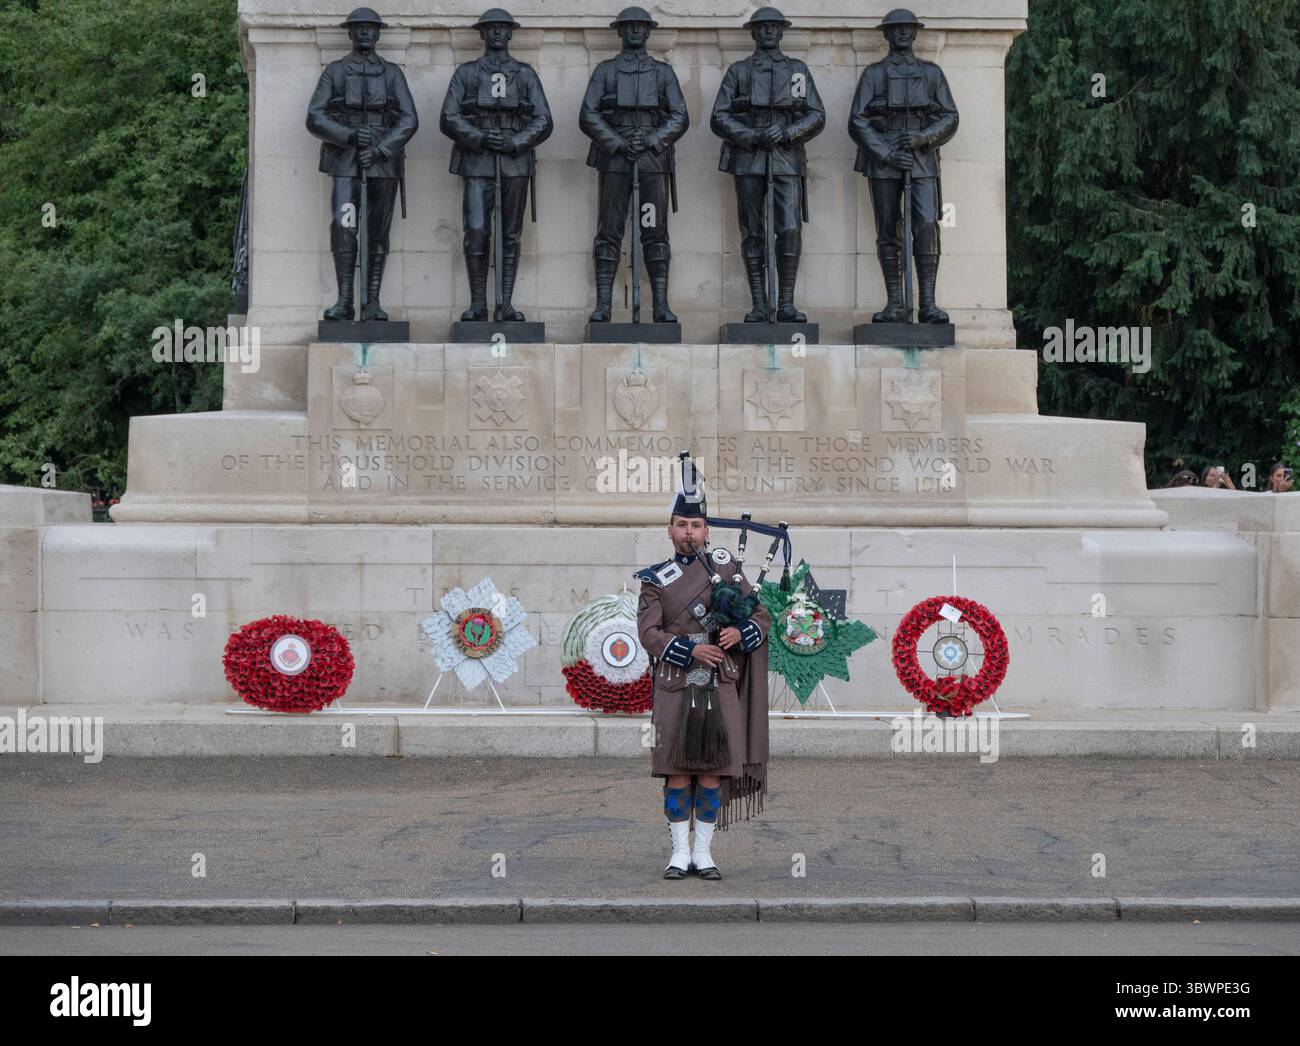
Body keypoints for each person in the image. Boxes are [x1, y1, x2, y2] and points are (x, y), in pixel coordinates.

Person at [634, 472, 770, 880]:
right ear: (670, 530)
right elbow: (648, 633)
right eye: (681, 525)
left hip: (720, 681)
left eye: (695, 525)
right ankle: (679, 853)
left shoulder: (728, 572)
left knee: (712, 770)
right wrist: (691, 648)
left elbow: (762, 616)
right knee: (676, 769)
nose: (688, 532)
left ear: (706, 530)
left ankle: (703, 854)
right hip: (676, 682)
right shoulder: (653, 579)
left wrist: (739, 632)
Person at [710, 7, 825, 323]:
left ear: (782, 31)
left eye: (774, 27)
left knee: (789, 228)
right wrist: (751, 135)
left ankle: (786, 303)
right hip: (748, 157)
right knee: (752, 231)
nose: (769, 32)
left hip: (786, 156)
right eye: (763, 27)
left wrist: (788, 132)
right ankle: (760, 304)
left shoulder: (796, 71)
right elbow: (719, 116)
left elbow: (815, 115)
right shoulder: (739, 71)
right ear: (753, 32)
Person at [440, 9, 553, 322]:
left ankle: (505, 303)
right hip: (478, 160)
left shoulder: (525, 74)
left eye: (502, 28)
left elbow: (543, 119)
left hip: (514, 162)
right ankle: (478, 302)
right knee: (476, 230)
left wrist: (516, 142)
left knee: (510, 234)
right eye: (491, 29)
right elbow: (448, 117)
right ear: (482, 34)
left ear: (510, 33)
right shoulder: (466, 73)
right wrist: (479, 138)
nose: (497, 34)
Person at [306, 7, 419, 322]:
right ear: (351, 33)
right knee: (344, 227)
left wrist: (382, 149)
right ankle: (344, 300)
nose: (365, 33)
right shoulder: (335, 71)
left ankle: (372, 301)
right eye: (359, 28)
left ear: (378, 32)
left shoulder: (392, 73)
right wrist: (351, 136)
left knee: (378, 233)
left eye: (371, 28)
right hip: (345, 164)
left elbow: (409, 119)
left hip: (383, 166)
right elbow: (315, 117)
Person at [848, 8, 958, 324]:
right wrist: (885, 153)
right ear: (886, 34)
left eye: (907, 29)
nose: (902, 34)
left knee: (926, 226)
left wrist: (924, 137)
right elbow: (857, 120)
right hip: (884, 157)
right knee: (887, 228)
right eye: (895, 29)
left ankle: (927, 303)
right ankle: (895, 302)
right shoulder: (873, 74)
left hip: (921, 157)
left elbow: (950, 116)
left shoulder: (932, 73)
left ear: (915, 33)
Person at [579, 7, 689, 324]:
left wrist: (653, 140)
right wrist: (616, 142)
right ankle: (603, 306)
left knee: (654, 232)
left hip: (653, 159)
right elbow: (588, 114)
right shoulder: (605, 70)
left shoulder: (663, 72)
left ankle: (660, 306)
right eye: (629, 26)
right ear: (620, 31)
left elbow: (679, 115)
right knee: (609, 231)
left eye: (641, 26)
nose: (635, 31)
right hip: (615, 159)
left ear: (648, 31)